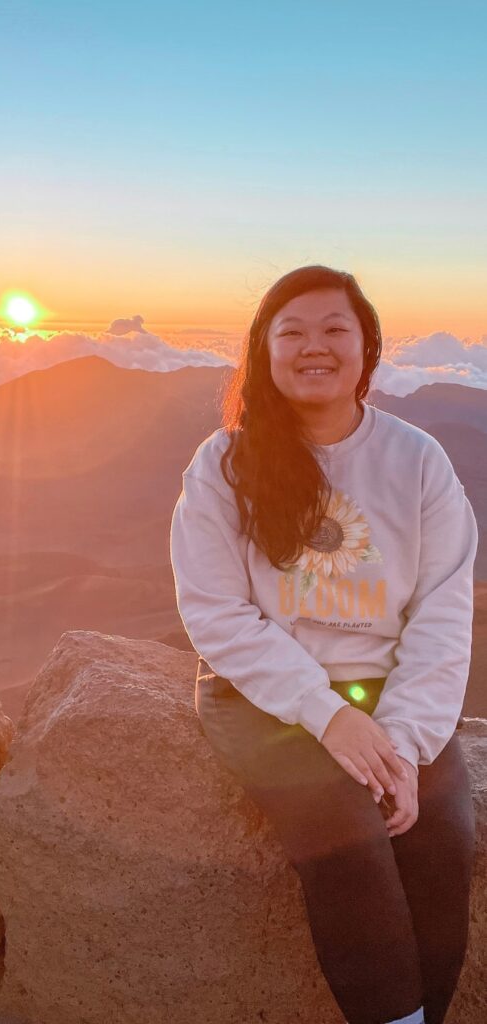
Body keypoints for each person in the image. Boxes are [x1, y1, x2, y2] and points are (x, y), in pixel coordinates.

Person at [169, 265, 479, 1024]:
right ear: (264, 353)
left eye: (334, 329)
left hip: (388, 690)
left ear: (366, 348)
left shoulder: (416, 459)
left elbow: (442, 610)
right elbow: (215, 612)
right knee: (345, 832)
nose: (315, 346)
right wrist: (326, 714)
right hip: (262, 694)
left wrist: (402, 742)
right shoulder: (224, 464)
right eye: (292, 332)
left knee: (438, 837)